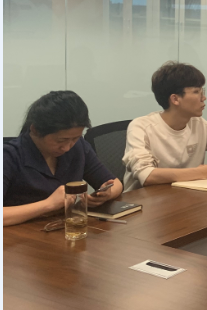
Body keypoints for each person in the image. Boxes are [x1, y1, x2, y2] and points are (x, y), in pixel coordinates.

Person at [4, 91, 123, 226]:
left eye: (75, 138)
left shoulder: (78, 147)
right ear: (35, 130)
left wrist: (107, 194)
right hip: (19, 234)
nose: (67, 147)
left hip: (63, 228)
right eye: (60, 140)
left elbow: (116, 184)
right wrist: (48, 204)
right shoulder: (9, 156)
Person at [122, 61, 207, 191]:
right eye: (197, 92)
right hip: (144, 200)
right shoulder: (141, 127)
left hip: (187, 197)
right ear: (175, 99)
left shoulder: (199, 124)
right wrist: (204, 172)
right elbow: (146, 175)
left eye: (202, 91)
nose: (204, 98)